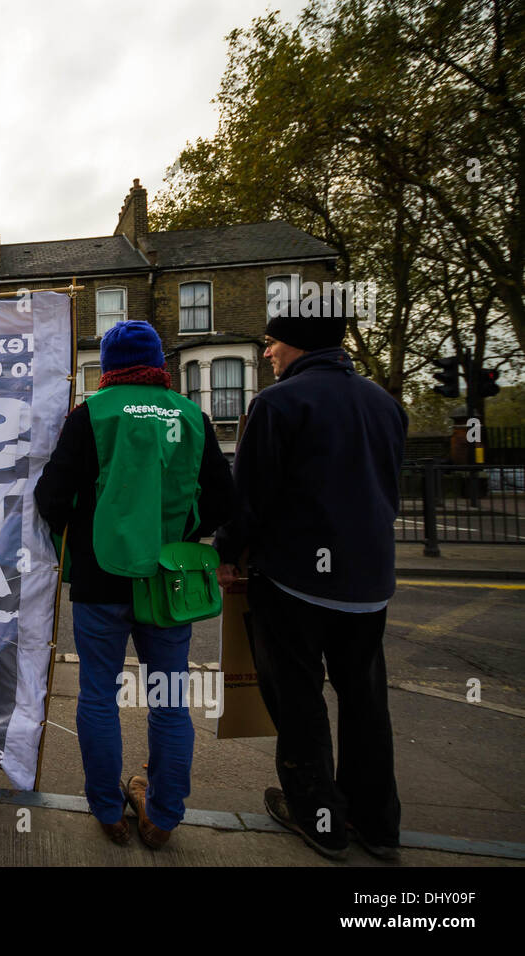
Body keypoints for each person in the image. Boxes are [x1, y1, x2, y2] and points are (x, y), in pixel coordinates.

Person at [214, 310, 407, 861]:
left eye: (272, 344)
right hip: (369, 583)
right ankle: (378, 825)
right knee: (365, 698)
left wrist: (229, 554)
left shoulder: (276, 404)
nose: (267, 354)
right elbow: (386, 489)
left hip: (295, 580)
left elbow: (249, 497)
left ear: (296, 346)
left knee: (298, 697)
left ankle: (319, 817)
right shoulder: (385, 404)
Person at [35, 321, 234, 849]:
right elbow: (222, 501)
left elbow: (50, 497)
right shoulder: (193, 415)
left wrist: (79, 533)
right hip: (169, 580)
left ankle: (107, 809)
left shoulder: (91, 416)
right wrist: (184, 532)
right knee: (169, 699)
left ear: (109, 365)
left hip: (101, 579)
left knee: (98, 695)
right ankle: (163, 816)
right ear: (159, 364)